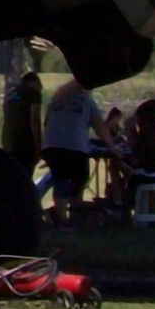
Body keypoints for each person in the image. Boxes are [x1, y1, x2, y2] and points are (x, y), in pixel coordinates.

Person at [39, 78, 103, 225]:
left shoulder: (54, 101)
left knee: (59, 182)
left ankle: (62, 219)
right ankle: (74, 215)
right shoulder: (87, 102)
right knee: (79, 181)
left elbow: (46, 122)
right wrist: (112, 146)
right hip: (76, 148)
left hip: (53, 146)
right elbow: (100, 127)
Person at [1, 70, 44, 187]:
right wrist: (38, 148)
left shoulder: (9, 96)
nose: (41, 88)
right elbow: (35, 120)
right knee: (25, 182)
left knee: (13, 180)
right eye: (40, 85)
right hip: (26, 145)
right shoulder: (33, 92)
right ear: (33, 82)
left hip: (9, 144)